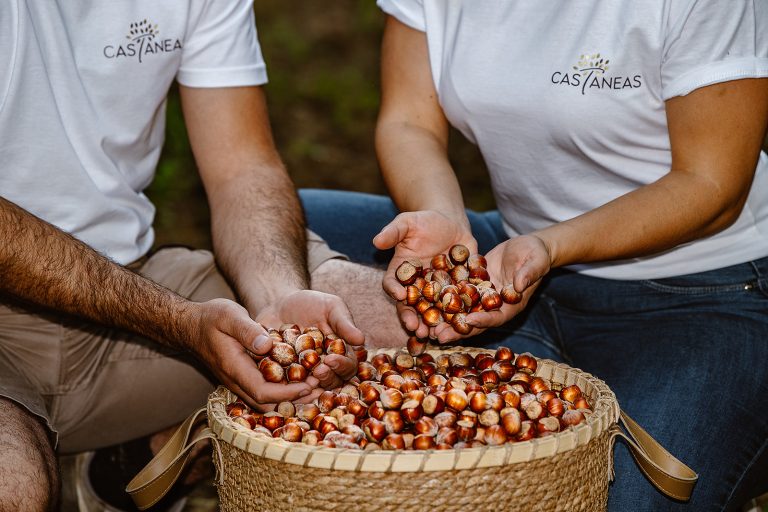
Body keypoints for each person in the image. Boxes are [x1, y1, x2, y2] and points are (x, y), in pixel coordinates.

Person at [300, 1, 768, 510]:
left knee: (617, 497)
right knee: (279, 226)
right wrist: (443, 217)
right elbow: (410, 120)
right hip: (513, 253)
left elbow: (713, 185)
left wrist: (551, 246)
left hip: (704, 288)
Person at [0, 2, 403, 511]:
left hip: (129, 283)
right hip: (86, 313)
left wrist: (279, 307)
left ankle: (124, 469)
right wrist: (175, 320)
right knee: (13, 490)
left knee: (384, 327)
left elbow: (242, 168)